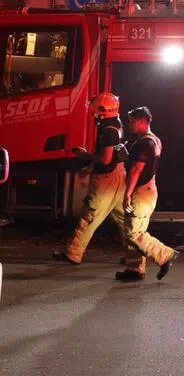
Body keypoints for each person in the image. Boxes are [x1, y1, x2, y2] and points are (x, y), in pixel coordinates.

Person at [53, 92, 128, 265]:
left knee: (89, 217)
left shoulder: (108, 131)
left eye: (95, 109)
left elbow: (106, 158)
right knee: (126, 222)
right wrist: (90, 167)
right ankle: (137, 258)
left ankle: (73, 253)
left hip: (106, 181)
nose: (93, 112)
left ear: (102, 110)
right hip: (118, 177)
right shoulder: (117, 125)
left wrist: (86, 156)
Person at [115, 106, 179, 282]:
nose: (129, 125)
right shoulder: (154, 140)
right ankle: (134, 269)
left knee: (133, 233)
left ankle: (165, 255)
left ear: (143, 121)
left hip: (141, 191)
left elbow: (137, 169)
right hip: (149, 189)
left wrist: (127, 193)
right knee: (134, 229)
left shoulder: (144, 143)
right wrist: (126, 157)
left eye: (132, 121)